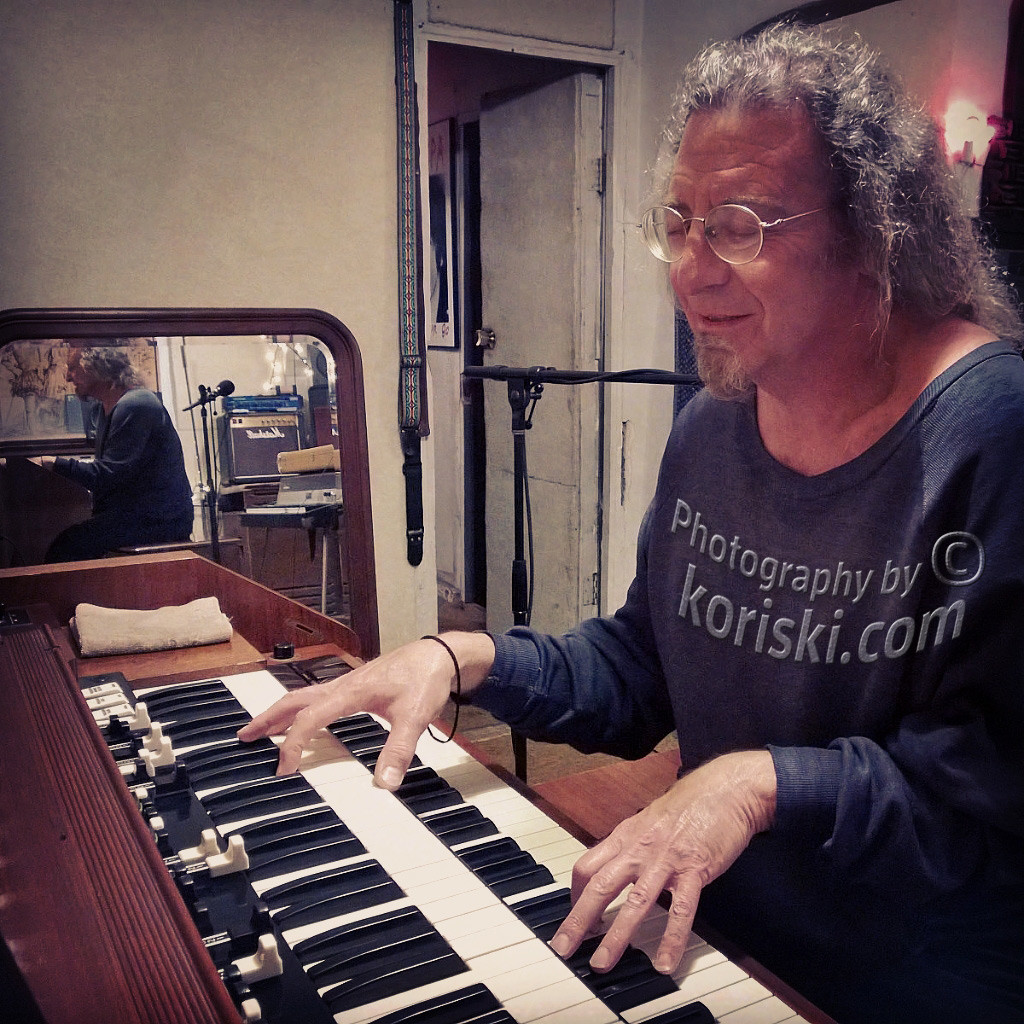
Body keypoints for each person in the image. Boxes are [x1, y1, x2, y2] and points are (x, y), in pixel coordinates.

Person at [238, 23, 1024, 1023]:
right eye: (678, 222)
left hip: (915, 980)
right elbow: (646, 667)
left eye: (738, 224)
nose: (689, 270)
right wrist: (459, 655)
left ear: (875, 233)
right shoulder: (712, 429)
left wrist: (760, 782)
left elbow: (988, 800)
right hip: (714, 932)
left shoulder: (994, 436)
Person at [40, 342, 194, 561]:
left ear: (97, 367)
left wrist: (52, 463)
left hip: (160, 521)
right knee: (69, 542)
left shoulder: (137, 404)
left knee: (66, 547)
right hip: (139, 517)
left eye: (73, 367)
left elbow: (109, 474)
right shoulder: (105, 409)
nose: (67, 376)